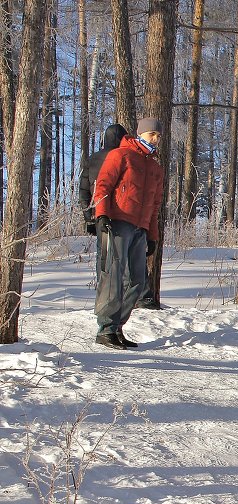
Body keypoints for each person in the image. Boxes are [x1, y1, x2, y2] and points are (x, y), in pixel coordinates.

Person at [91, 118, 165, 350]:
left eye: (158, 135)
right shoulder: (121, 155)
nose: (156, 139)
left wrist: (152, 235)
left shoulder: (155, 167)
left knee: (137, 281)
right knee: (113, 276)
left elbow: (154, 205)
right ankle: (106, 329)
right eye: (152, 134)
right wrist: (101, 215)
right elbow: (103, 185)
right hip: (118, 221)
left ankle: (116, 327)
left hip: (140, 227)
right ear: (140, 134)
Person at [78, 123, 127, 279]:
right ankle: (120, 296)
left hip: (99, 213)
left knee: (104, 256)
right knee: (123, 258)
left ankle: (103, 290)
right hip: (122, 214)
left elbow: (83, 190)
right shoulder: (126, 158)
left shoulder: (92, 159)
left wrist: (89, 218)